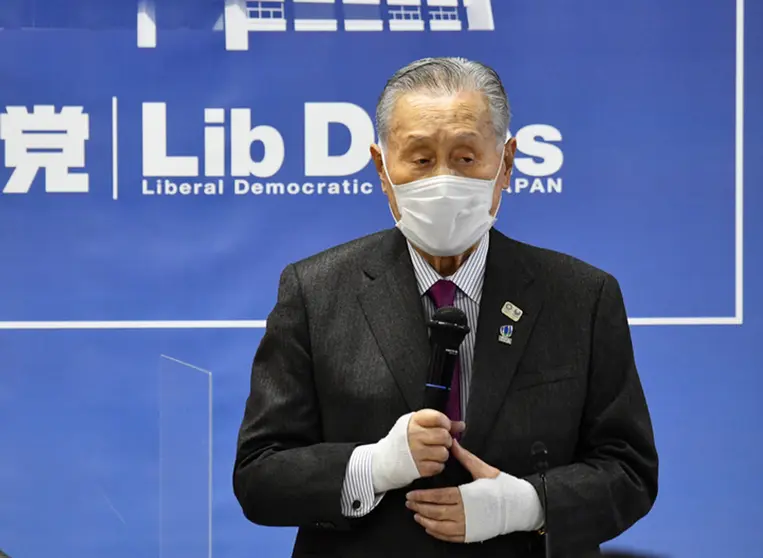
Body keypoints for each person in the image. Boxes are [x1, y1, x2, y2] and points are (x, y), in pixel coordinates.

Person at [233, 57, 658, 558]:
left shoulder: (582, 296)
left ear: (506, 162)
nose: (442, 180)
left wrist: (525, 505)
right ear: (381, 167)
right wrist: (371, 467)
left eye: (465, 157)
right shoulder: (315, 291)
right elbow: (259, 475)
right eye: (419, 158)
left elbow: (629, 470)